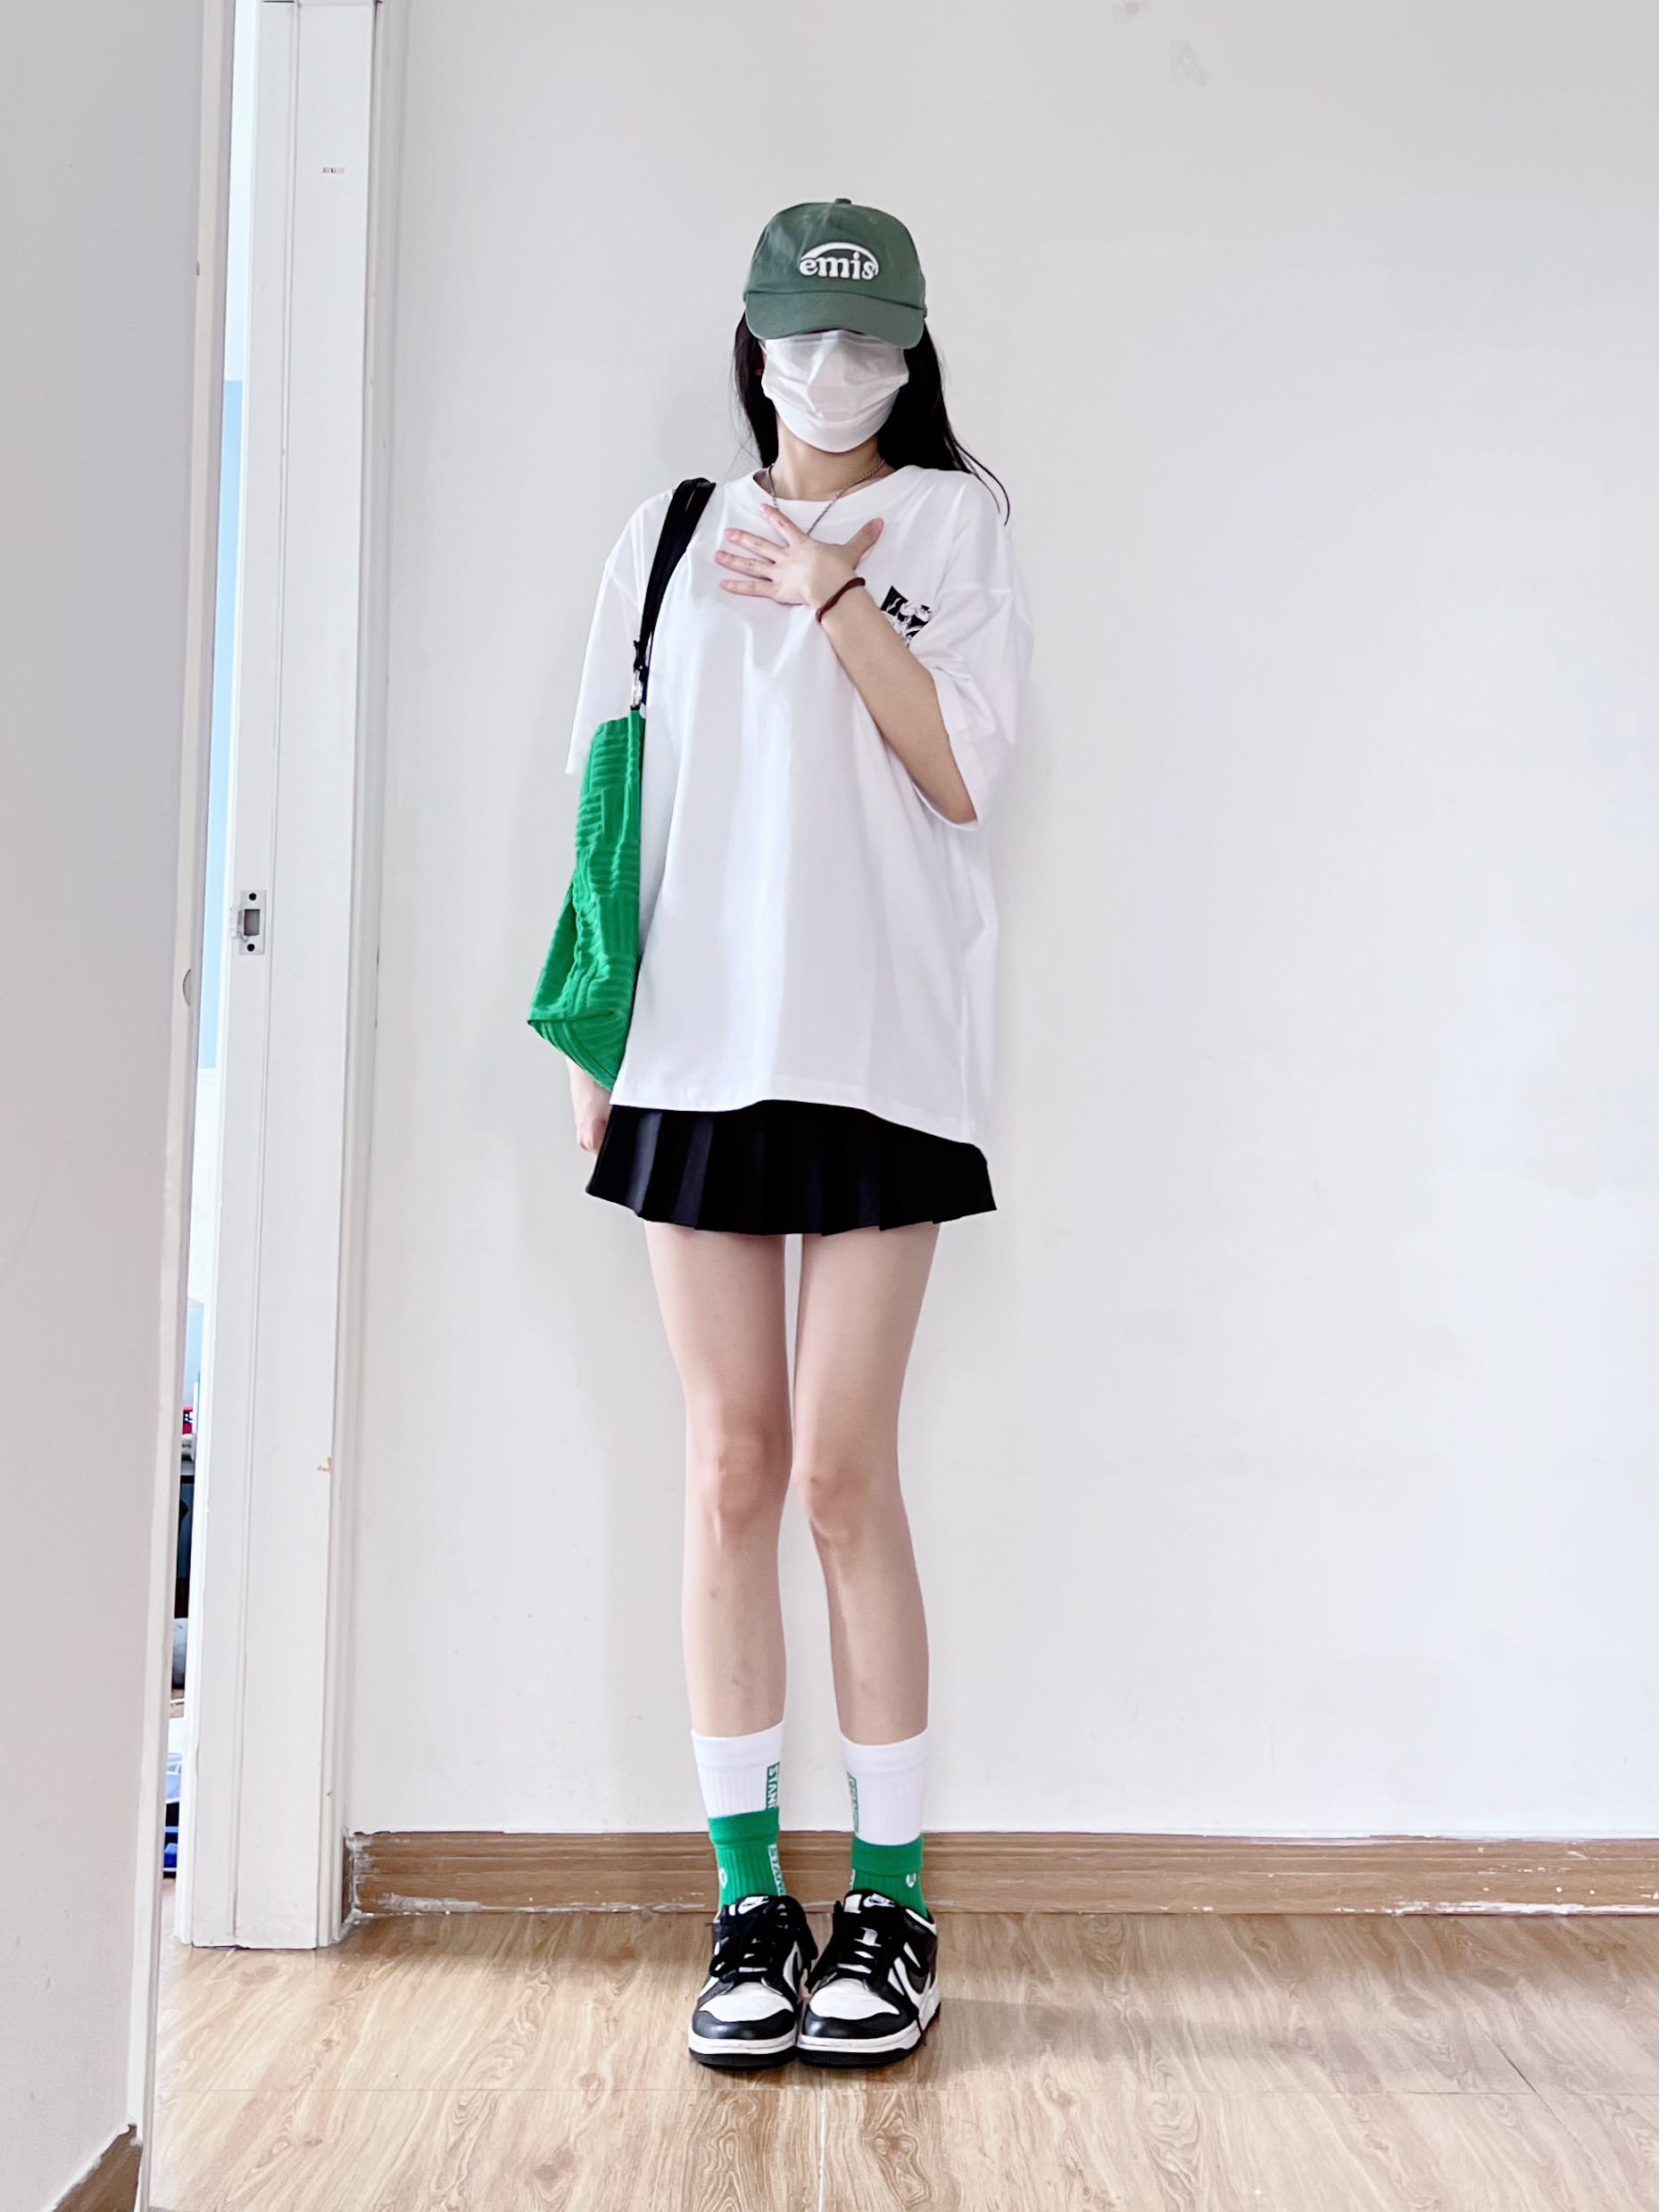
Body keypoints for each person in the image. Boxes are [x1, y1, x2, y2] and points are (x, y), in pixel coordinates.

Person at [560, 198, 1032, 2069]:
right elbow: (608, 790)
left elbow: (964, 770)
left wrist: (838, 592)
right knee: (728, 1468)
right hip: (690, 1046)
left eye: (869, 341)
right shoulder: (670, 531)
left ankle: (891, 1905)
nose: (835, 371)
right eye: (804, 337)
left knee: (843, 1476)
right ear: (752, 343)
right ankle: (750, 1902)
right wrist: (591, 1030)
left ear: (912, 352)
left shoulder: (954, 524)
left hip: (881, 1045)